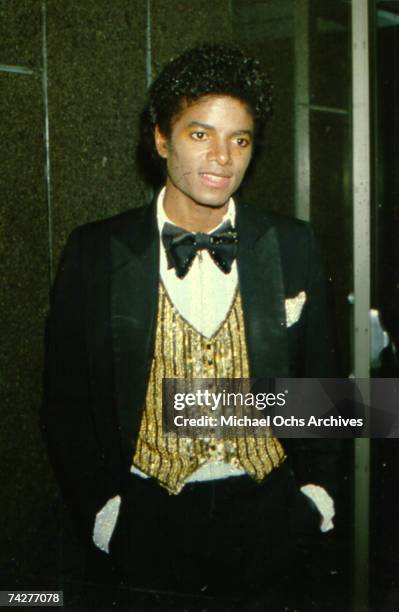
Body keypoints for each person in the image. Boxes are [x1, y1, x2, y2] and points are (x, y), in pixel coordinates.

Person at [41, 44, 336, 610]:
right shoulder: (96, 251)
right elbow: (66, 402)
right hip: (149, 522)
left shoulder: (292, 244)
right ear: (160, 139)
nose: (222, 157)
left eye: (240, 139)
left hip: (271, 518)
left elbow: (323, 381)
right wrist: (105, 515)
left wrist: (315, 499)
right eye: (201, 134)